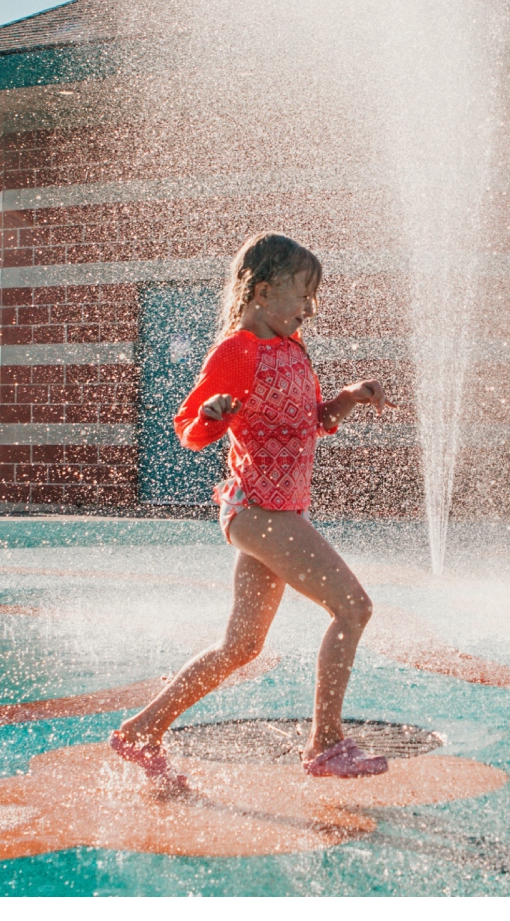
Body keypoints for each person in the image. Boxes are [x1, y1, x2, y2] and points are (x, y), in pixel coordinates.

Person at [109, 232, 394, 787]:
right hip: (258, 510)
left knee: (240, 646)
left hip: (276, 510)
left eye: (314, 299)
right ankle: (327, 744)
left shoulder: (292, 347)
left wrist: (351, 396)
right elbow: (190, 430)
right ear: (261, 292)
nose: (309, 309)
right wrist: (213, 414)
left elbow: (312, 417)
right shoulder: (238, 350)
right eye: (302, 295)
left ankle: (142, 731)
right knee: (353, 608)